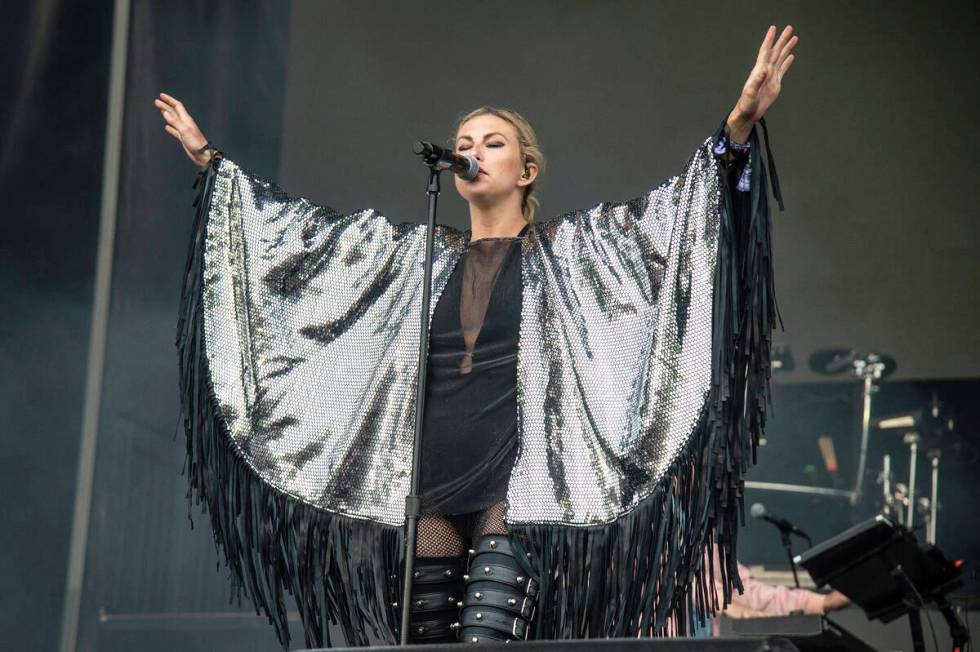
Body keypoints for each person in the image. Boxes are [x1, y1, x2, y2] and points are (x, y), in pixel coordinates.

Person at [157, 24, 797, 648]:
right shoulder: (413, 259)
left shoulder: (572, 253)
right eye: (465, 140)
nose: (473, 150)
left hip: (515, 480)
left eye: (493, 142)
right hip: (432, 475)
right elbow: (305, 243)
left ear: (526, 170)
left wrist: (739, 122)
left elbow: (673, 220)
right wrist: (215, 165)